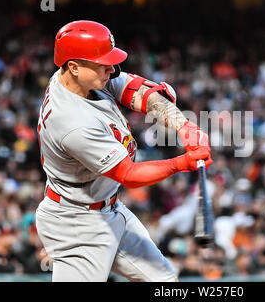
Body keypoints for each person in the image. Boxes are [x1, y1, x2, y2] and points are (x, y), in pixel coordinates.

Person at [35, 20, 212, 282]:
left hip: (108, 208)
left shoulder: (80, 79)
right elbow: (128, 175)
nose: (112, 69)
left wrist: (183, 126)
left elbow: (138, 92)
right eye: (102, 63)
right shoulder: (72, 122)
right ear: (73, 66)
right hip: (77, 224)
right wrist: (183, 163)